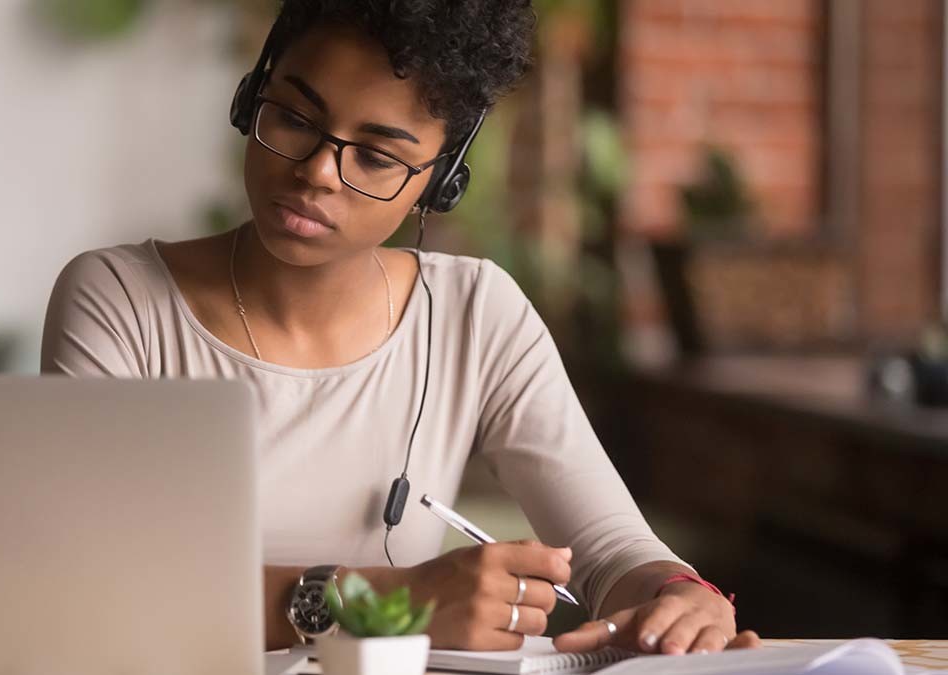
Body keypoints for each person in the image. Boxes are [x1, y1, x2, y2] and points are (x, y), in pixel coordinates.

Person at [41, 0, 760, 655]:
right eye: (293, 117)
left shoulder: (478, 314)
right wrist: (385, 599)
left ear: (440, 179)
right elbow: (88, 585)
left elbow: (610, 549)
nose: (319, 172)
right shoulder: (119, 300)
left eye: (378, 156)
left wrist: (679, 597)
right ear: (249, 99)